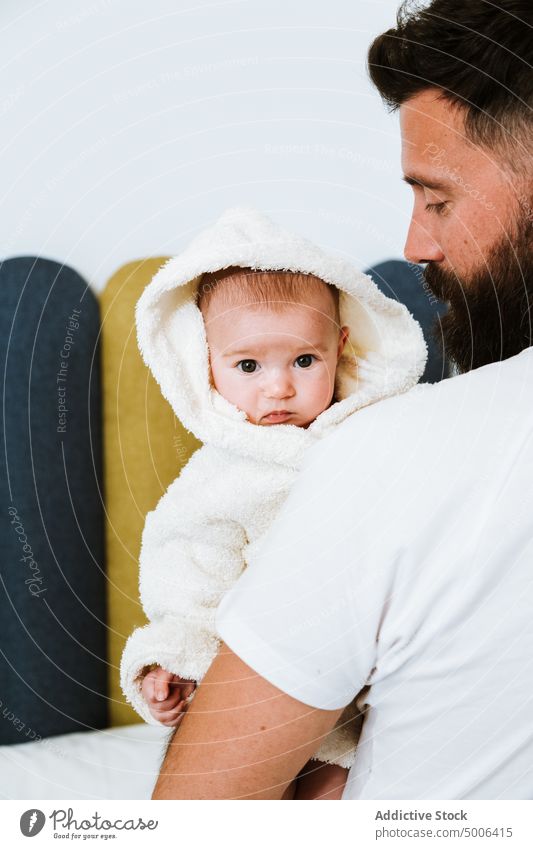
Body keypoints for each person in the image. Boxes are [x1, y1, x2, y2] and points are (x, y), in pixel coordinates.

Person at [152, 0, 533, 800]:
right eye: (246, 362)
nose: (415, 246)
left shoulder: (391, 455)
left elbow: (195, 813)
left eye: (436, 200)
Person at [120, 205, 426, 799]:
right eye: (248, 365)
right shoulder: (220, 479)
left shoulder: (381, 433)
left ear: (343, 347)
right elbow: (186, 581)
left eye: (303, 361)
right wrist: (173, 661)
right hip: (275, 689)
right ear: (205, 362)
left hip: (386, 675)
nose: (278, 386)